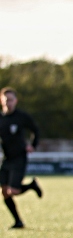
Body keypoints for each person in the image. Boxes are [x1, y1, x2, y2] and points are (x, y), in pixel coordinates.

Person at [0, 87, 42, 229]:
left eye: (11, 100)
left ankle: (31, 186)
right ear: (1, 101)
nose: (8, 103)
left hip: (19, 157)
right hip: (6, 158)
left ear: (16, 101)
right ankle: (18, 221)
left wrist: (33, 145)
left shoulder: (21, 117)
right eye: (6, 100)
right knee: (5, 192)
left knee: (13, 191)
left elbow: (35, 130)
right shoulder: (0, 118)